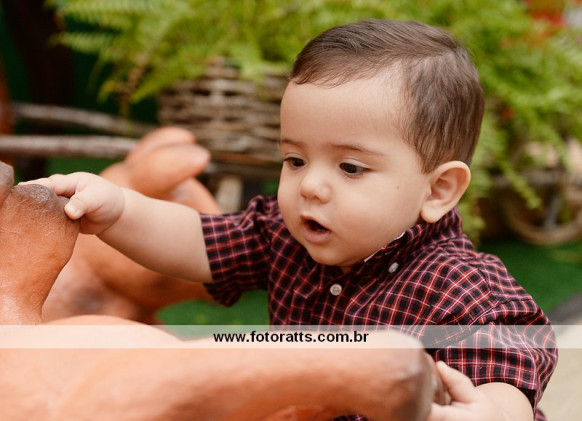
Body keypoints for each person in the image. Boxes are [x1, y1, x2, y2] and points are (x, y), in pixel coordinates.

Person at [26, 19, 556, 421]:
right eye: (295, 159)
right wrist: (121, 208)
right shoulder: (284, 236)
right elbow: (195, 241)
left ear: (438, 190)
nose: (310, 186)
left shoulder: (462, 285)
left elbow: (510, 366)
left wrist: (491, 412)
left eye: (350, 167)